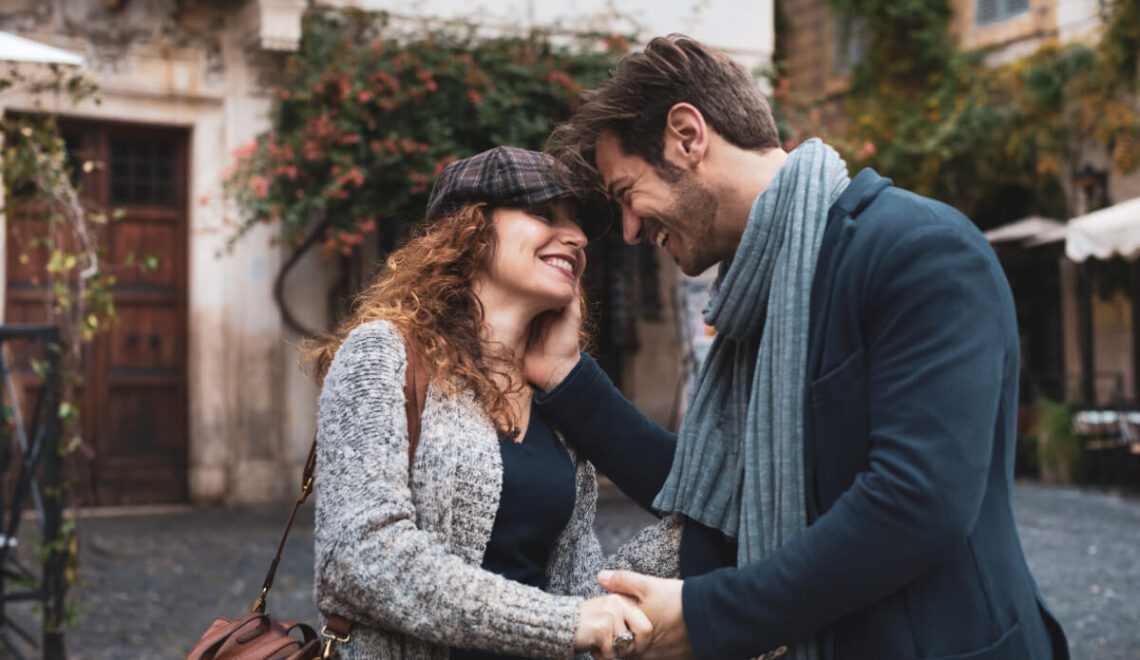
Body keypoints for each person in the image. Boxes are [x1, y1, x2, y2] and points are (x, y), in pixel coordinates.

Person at [528, 35, 1070, 660]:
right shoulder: (754, 294)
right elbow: (713, 491)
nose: (628, 229)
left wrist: (706, 616)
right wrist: (567, 376)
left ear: (686, 135)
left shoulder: (918, 249)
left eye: (627, 193)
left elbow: (918, 502)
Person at [310, 147, 679, 660]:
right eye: (544, 215)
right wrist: (566, 622)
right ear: (471, 230)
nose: (574, 237)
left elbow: (573, 588)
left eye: (578, 227)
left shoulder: (553, 398)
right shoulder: (385, 352)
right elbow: (360, 558)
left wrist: (694, 543)